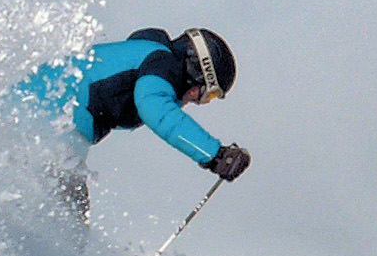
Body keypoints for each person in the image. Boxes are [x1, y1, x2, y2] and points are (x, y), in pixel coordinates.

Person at [14, 27, 249, 222]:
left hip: (30, 122)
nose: (199, 102)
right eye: (207, 94)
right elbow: (155, 109)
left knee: (65, 215)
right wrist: (215, 156)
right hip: (43, 130)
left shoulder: (144, 55)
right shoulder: (162, 63)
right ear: (196, 69)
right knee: (67, 223)